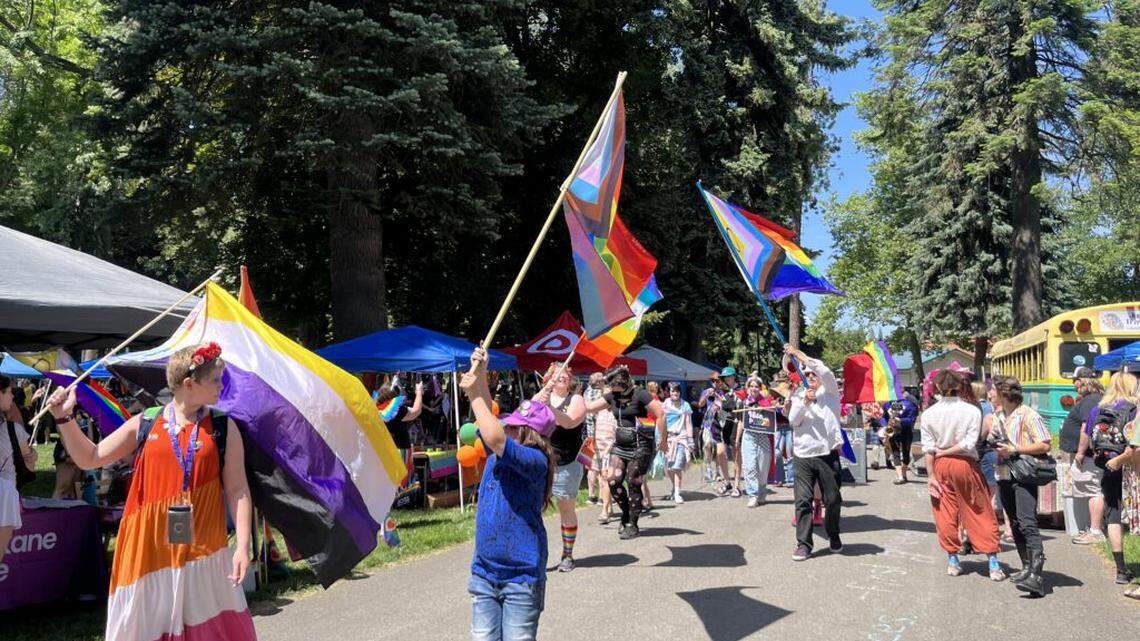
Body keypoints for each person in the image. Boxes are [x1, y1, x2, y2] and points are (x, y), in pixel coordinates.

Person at [46, 343, 256, 640]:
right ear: (189, 384)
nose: (221, 386)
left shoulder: (222, 426)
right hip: (148, 555)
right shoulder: (147, 421)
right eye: (215, 380)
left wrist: (243, 545)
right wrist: (64, 419)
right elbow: (90, 458)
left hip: (204, 553)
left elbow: (237, 489)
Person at [459, 347, 555, 641]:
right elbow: (492, 423)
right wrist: (483, 375)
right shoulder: (500, 451)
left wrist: (474, 394)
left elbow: (495, 435)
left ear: (529, 435)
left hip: (521, 579)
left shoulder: (535, 460)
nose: (506, 427)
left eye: (514, 427)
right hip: (485, 574)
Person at [920, 370, 1006, 581]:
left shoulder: (929, 414)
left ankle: (953, 560)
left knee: (945, 511)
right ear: (959, 386)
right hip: (966, 463)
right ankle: (993, 563)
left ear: (938, 387)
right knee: (979, 508)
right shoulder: (971, 410)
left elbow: (928, 448)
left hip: (940, 465)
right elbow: (969, 443)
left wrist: (931, 475)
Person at [585, 366, 665, 539]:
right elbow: (590, 407)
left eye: (616, 389)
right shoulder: (612, 395)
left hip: (640, 445)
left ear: (625, 383)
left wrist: (663, 441)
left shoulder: (640, 394)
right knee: (613, 481)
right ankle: (626, 512)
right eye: (612, 390)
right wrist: (573, 397)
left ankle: (633, 524)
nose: (614, 393)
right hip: (620, 445)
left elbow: (660, 414)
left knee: (633, 481)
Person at [990, 375, 1052, 597]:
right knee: (1014, 522)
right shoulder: (998, 415)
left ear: (1004, 394)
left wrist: (1016, 450)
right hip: (1004, 474)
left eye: (993, 390)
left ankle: (1037, 575)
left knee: (1027, 522)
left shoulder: (1028, 415)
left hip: (1024, 475)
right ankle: (1025, 566)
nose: (990, 394)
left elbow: (1045, 443)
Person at [782, 345, 844, 562]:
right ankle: (803, 544)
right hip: (803, 455)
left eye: (812, 373)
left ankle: (833, 533)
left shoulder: (830, 392)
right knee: (802, 501)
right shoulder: (800, 395)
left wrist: (799, 355)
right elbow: (793, 421)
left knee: (833, 499)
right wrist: (805, 401)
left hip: (827, 454)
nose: (810, 376)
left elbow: (824, 370)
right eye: (806, 374)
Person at [1078, 371, 1137, 585]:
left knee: (1114, 513)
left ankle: (1121, 569)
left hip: (1106, 464)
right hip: (1130, 466)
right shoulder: (1134, 409)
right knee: (1135, 513)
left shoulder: (1098, 409)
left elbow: (1089, 433)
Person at [533, 364, 586, 573]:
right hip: (541, 462)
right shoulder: (542, 395)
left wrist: (550, 408)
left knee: (566, 509)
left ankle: (567, 555)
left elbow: (569, 422)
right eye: (557, 374)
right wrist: (541, 397)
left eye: (566, 374)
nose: (562, 377)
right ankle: (535, 556)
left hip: (566, 462)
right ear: (548, 379)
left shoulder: (576, 399)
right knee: (534, 509)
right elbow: (525, 414)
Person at [1064, 368, 1107, 545]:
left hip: (1088, 456)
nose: (1074, 384)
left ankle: (1095, 531)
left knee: (1093, 491)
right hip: (1088, 455)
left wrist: (1081, 453)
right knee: (1091, 490)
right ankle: (1093, 528)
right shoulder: (1092, 399)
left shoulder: (1090, 400)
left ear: (1084, 381)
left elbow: (1086, 429)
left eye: (1076, 380)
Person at [1, 375, 37, 562]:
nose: (13, 397)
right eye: (8, 392)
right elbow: (30, 465)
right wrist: (33, 456)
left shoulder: (13, 428)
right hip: (3, 495)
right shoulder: (12, 429)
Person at [738, 376, 774, 507]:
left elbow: (774, 411)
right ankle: (752, 495)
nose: (753, 389)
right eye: (751, 386)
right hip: (749, 436)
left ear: (760, 388)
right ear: (748, 388)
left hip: (763, 437)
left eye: (756, 386)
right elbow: (741, 421)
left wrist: (763, 408)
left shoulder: (766, 400)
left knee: (763, 467)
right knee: (750, 466)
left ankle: (762, 492)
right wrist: (737, 439)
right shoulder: (744, 402)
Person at [708, 367, 743, 497]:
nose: (727, 379)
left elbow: (740, 409)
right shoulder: (719, 391)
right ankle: (727, 481)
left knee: (736, 454)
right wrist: (716, 407)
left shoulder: (741, 391)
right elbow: (714, 406)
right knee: (720, 452)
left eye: (730, 376)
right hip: (720, 425)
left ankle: (737, 485)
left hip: (735, 424)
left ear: (734, 377)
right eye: (725, 377)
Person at [662, 382, 693, 503]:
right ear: (669, 392)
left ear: (680, 392)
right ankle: (674, 488)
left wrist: (690, 442)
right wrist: (661, 439)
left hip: (681, 438)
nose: (674, 393)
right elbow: (661, 422)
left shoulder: (685, 406)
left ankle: (677, 493)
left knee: (677, 467)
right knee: (669, 468)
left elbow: (688, 424)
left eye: (676, 391)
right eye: (672, 391)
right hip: (668, 439)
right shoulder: (665, 404)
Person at [883, 394, 918, 484]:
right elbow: (912, 419)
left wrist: (898, 419)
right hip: (896, 430)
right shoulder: (895, 403)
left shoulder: (907, 404)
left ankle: (902, 474)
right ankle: (901, 475)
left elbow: (911, 419)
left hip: (904, 430)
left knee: (902, 453)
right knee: (897, 453)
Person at [583, 373, 606, 506]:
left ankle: (591, 496)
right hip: (601, 436)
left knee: (590, 467)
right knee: (602, 467)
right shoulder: (601, 395)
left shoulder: (586, 393)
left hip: (588, 436)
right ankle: (602, 497)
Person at [769, 374, 794, 488]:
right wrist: (774, 406)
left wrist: (786, 406)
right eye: (780, 381)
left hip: (789, 426)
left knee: (790, 454)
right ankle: (779, 478)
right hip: (778, 427)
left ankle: (791, 479)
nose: (781, 383)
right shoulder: (775, 395)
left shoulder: (792, 395)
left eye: (783, 381)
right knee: (777, 453)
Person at [697, 380, 720, 484]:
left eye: (718, 380)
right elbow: (700, 404)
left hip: (719, 424)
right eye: (713, 381)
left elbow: (725, 406)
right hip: (707, 423)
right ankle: (709, 469)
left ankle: (718, 472)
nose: (715, 382)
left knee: (719, 449)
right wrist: (707, 395)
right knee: (707, 445)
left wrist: (716, 395)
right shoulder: (706, 391)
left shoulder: (721, 392)